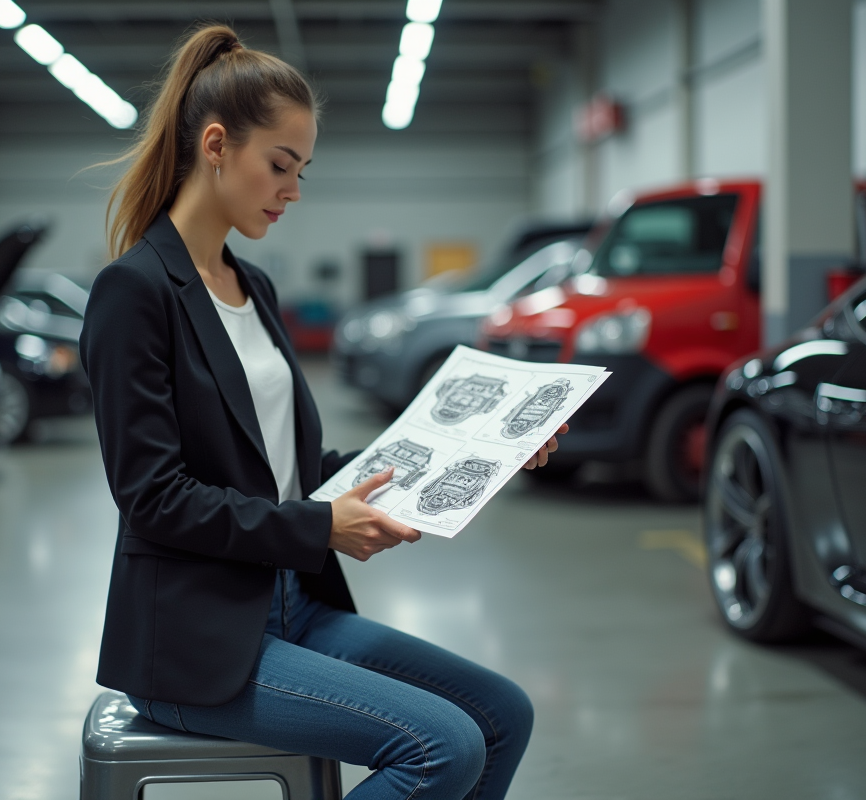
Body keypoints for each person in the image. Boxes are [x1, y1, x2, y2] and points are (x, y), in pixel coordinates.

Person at [80, 23, 567, 800]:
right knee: (442, 748)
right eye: (280, 166)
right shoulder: (136, 293)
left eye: (302, 170)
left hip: (290, 605)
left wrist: (488, 450)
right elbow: (152, 499)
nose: (293, 191)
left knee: (502, 714)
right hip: (192, 639)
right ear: (215, 145)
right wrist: (317, 527)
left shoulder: (253, 288)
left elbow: (298, 472)